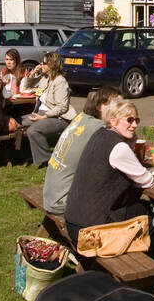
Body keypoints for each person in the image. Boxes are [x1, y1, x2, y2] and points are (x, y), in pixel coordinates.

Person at [63, 99, 154, 246]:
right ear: (113, 121)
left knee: (138, 206)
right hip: (91, 229)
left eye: (136, 120)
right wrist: (130, 147)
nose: (135, 125)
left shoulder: (99, 134)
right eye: (130, 120)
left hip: (73, 220)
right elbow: (148, 181)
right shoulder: (119, 147)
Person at [44, 86, 120, 217]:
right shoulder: (100, 128)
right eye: (117, 106)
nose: (121, 110)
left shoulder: (82, 118)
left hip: (50, 195)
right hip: (62, 202)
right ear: (101, 107)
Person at [21, 52, 77, 167]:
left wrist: (43, 117)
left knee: (33, 130)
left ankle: (47, 160)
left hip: (58, 117)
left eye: (44, 63)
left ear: (52, 65)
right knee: (17, 121)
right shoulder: (44, 78)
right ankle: (23, 154)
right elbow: (27, 87)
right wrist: (33, 73)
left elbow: (62, 107)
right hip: (41, 113)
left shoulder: (60, 82)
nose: (41, 65)